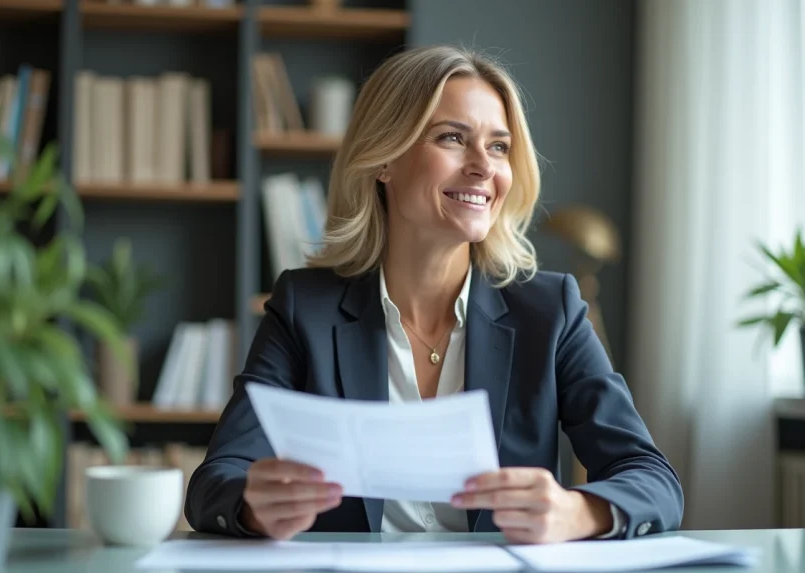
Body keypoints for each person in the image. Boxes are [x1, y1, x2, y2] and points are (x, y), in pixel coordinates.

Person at [184, 44, 684, 544]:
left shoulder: (551, 312)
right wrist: (253, 505)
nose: (483, 167)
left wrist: (578, 512)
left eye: (499, 146)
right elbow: (215, 481)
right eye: (452, 138)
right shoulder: (303, 308)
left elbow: (652, 479)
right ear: (384, 160)